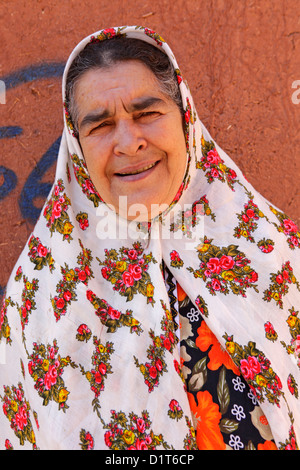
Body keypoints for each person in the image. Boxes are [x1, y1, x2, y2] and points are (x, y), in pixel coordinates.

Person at [0, 25, 299, 451]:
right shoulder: (38, 300)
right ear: (77, 147)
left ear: (185, 120)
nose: (129, 142)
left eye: (147, 114)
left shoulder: (273, 252)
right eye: (100, 125)